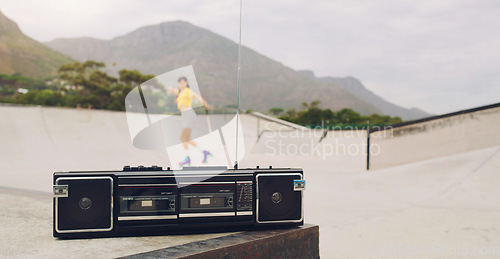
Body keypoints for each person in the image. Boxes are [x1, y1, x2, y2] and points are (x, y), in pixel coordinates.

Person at [169, 76, 214, 167]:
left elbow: (198, 98)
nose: (181, 84)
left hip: (189, 115)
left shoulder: (188, 91)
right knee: (187, 139)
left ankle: (188, 158)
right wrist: (171, 89)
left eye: (182, 82)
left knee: (183, 138)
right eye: (179, 83)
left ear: (186, 83)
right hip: (185, 116)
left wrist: (207, 106)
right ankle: (204, 152)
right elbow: (174, 91)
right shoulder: (180, 91)